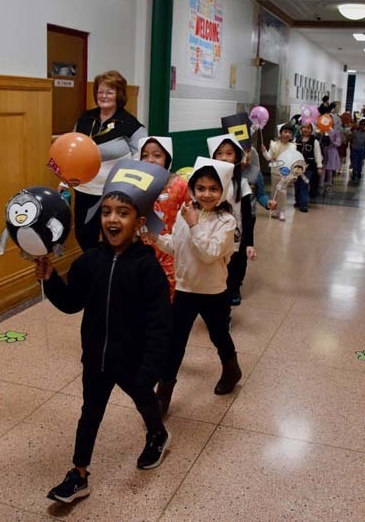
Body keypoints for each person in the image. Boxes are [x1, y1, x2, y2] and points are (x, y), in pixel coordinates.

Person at [37, 159, 173, 504]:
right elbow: (71, 303)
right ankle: (79, 474)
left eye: (123, 213)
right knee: (90, 413)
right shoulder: (88, 262)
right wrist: (51, 279)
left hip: (133, 362)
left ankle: (157, 434)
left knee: (145, 401)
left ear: (139, 222)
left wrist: (150, 371)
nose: (112, 219)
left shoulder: (148, 269)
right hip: (95, 357)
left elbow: (161, 325)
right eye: (107, 211)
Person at [148, 157, 242, 416]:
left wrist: (193, 223)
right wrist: (154, 237)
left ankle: (232, 370)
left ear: (223, 190)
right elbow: (177, 246)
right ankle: (163, 393)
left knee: (218, 335)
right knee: (174, 343)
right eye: (201, 188)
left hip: (213, 292)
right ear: (193, 189)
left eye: (213, 188)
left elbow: (209, 253)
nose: (206, 194)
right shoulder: (185, 212)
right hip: (185, 290)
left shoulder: (226, 222)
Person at [72, 70, 147, 251]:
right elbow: (72, 151)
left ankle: (111, 275)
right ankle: (92, 274)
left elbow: (141, 159)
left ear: (118, 95)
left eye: (109, 92)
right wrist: (63, 180)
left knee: (113, 239)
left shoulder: (130, 124)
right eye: (100, 91)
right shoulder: (85, 118)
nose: (103, 96)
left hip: (114, 192)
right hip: (84, 189)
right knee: (84, 237)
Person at [137, 136, 190, 300]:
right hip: (142, 249)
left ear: (167, 158)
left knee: (168, 295)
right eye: (145, 155)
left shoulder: (180, 185)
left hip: (170, 250)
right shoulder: (136, 183)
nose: (150, 160)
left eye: (157, 155)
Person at [208, 134, 254, 306]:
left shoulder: (241, 183)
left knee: (236, 264)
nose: (224, 157)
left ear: (236, 157)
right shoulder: (208, 182)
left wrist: (249, 243)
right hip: (213, 233)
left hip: (236, 234)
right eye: (219, 153)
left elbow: (248, 216)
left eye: (229, 153)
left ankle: (234, 288)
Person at [261, 123, 297, 220]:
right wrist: (264, 151)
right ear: (280, 133)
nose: (287, 134)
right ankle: (275, 210)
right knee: (274, 191)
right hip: (275, 172)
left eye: (289, 132)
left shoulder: (292, 147)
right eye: (285, 132)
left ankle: (282, 211)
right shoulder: (274, 145)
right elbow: (268, 157)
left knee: (282, 192)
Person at [296, 122, 322, 210]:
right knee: (297, 184)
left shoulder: (314, 141)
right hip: (297, 167)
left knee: (304, 184)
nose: (305, 129)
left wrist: (319, 166)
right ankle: (298, 201)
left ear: (311, 130)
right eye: (304, 127)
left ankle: (303, 204)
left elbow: (318, 154)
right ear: (301, 129)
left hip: (309, 167)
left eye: (308, 128)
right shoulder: (297, 140)